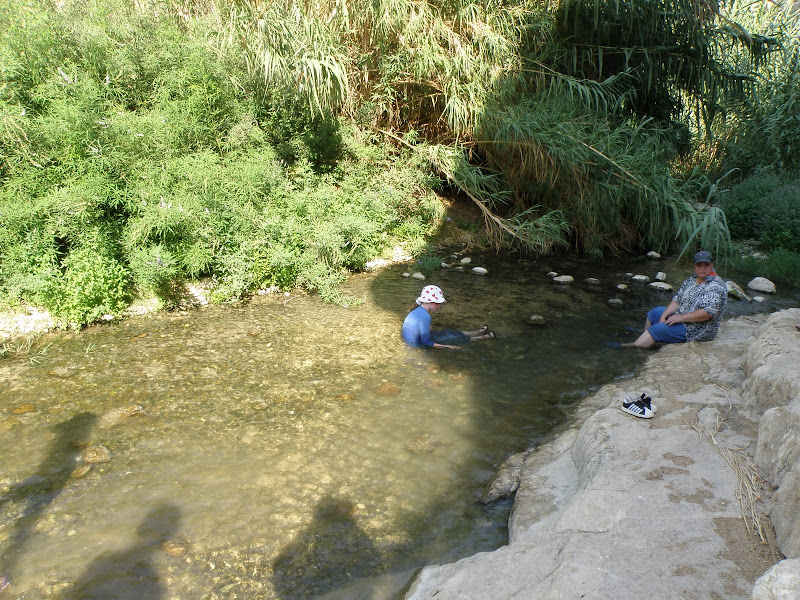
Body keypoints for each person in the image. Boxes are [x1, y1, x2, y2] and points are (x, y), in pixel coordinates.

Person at [630, 250, 727, 348]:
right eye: (699, 265)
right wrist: (663, 316)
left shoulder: (715, 286)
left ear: (712, 265)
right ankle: (647, 341)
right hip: (683, 318)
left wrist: (679, 318)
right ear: (694, 266)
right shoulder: (691, 280)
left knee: (658, 330)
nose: (702, 269)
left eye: (706, 265)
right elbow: (677, 300)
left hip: (698, 330)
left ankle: (635, 348)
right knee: (653, 313)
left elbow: (707, 313)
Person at [401, 285, 495, 350]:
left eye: (440, 303)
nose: (439, 306)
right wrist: (448, 346)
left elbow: (416, 328)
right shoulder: (425, 316)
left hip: (414, 340)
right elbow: (426, 342)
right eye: (437, 303)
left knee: (447, 332)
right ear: (427, 301)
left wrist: (426, 328)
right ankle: (481, 337)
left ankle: (476, 332)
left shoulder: (417, 310)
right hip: (418, 344)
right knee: (453, 338)